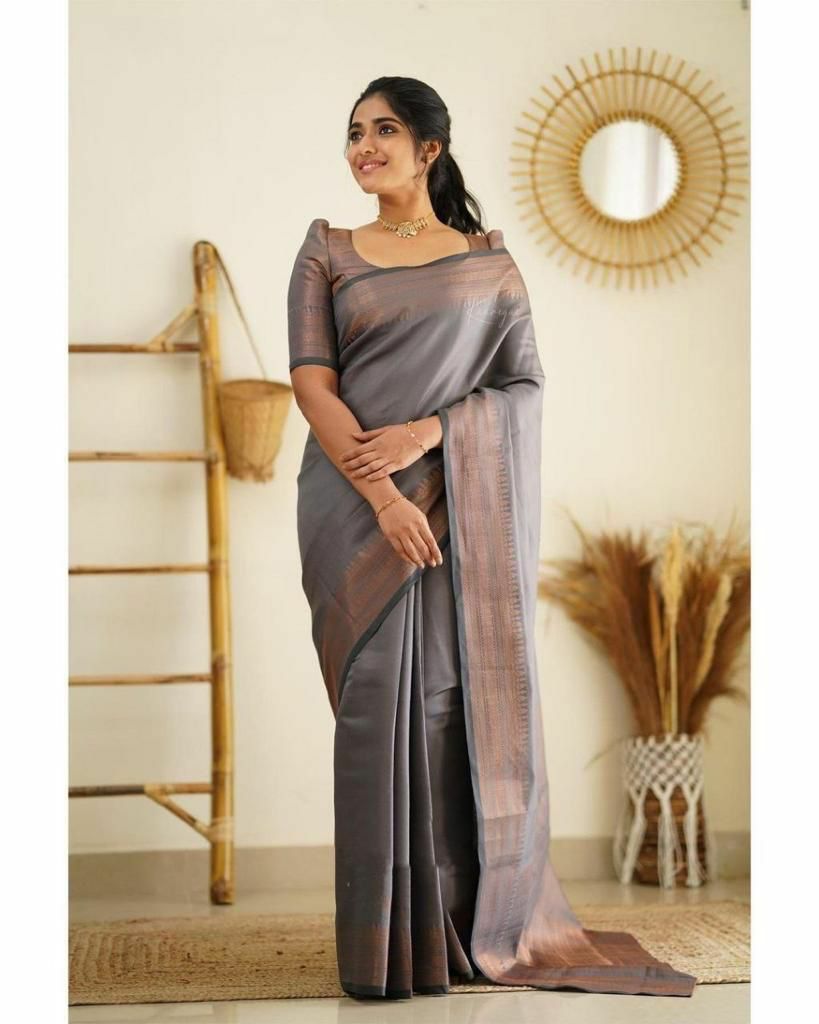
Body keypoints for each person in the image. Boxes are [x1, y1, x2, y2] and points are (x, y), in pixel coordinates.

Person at [287, 76, 697, 1001]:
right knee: (373, 712)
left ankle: (456, 929)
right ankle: (384, 944)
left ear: (428, 148)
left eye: (383, 130)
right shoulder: (325, 252)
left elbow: (521, 390)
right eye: (353, 132)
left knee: (442, 703)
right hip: (351, 510)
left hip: (455, 509)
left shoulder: (488, 268)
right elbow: (312, 384)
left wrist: (427, 434)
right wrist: (382, 498)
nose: (362, 147)